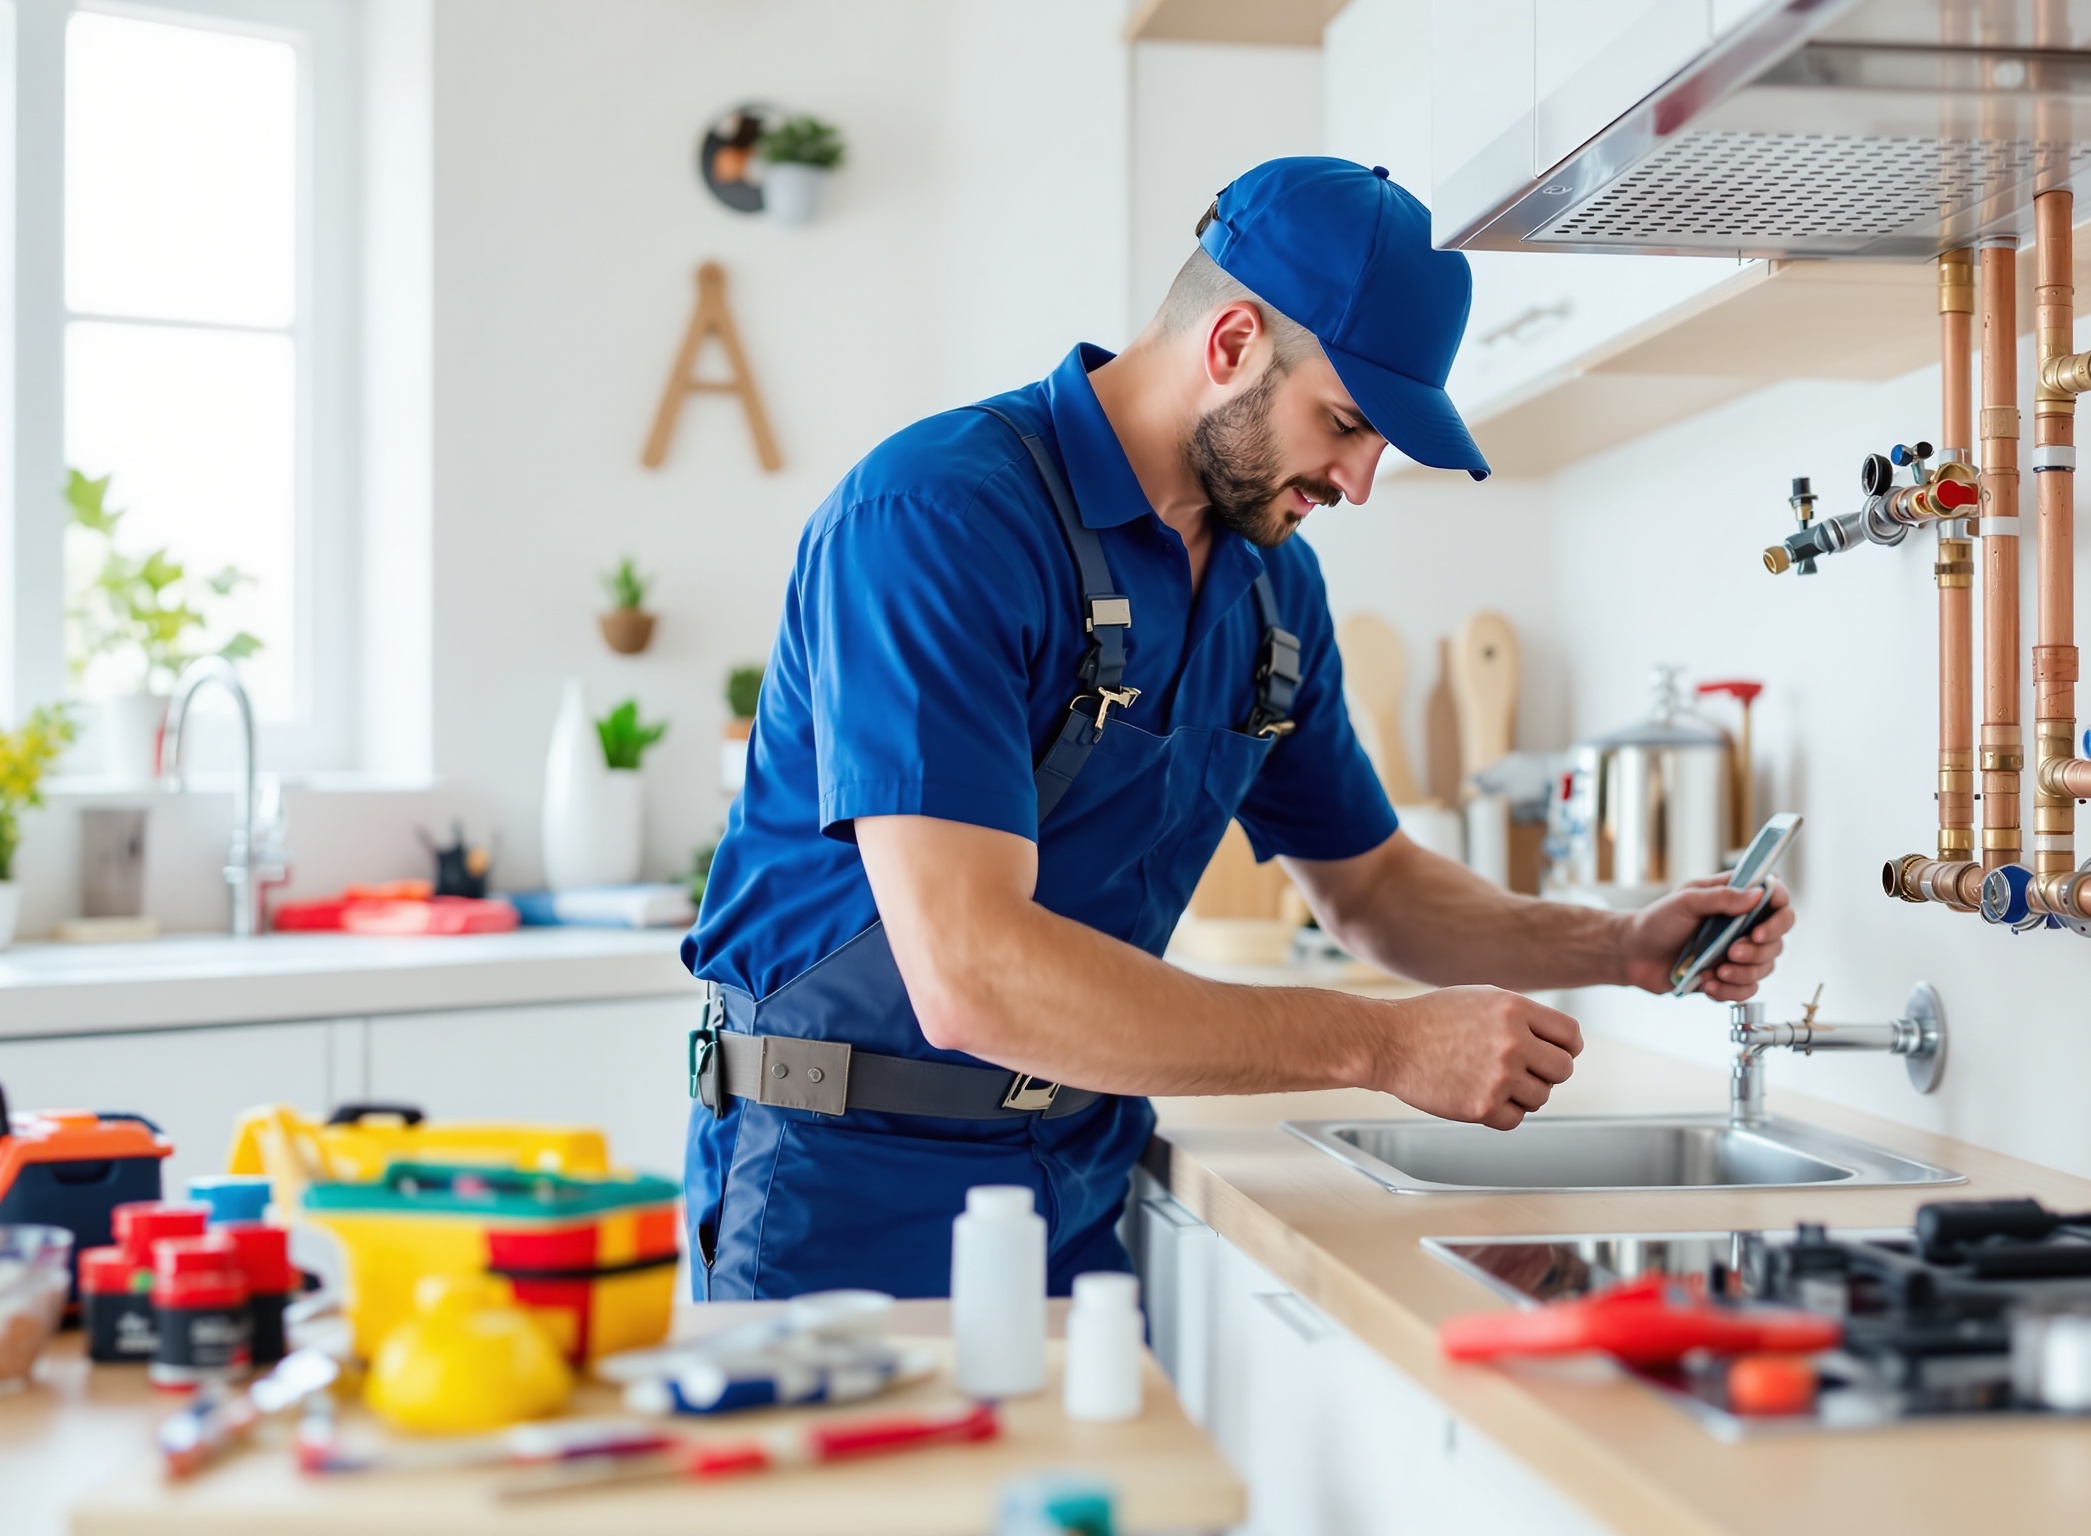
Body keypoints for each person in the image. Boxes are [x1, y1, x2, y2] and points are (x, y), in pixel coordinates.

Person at [681, 157, 1794, 1300]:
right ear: (1232, 343)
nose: (1359, 480)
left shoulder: (1271, 592)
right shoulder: (938, 517)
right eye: (1347, 424)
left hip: (1080, 1174)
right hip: (842, 1184)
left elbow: (1374, 890)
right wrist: (1384, 1044)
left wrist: (1618, 946)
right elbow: (972, 974)